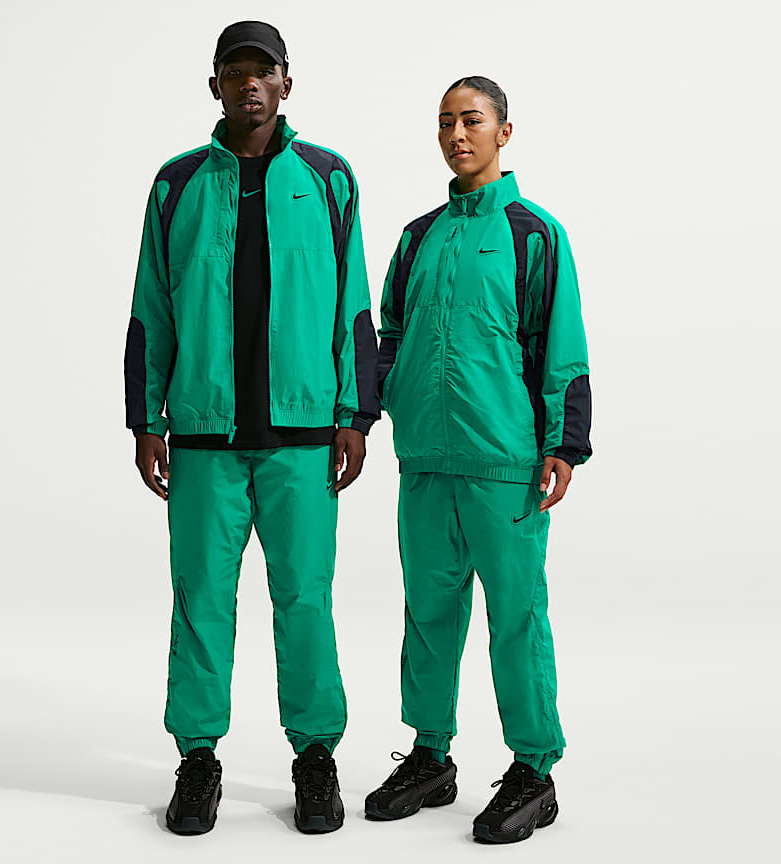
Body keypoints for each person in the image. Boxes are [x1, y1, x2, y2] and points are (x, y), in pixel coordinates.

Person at [123, 20, 379, 836]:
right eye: (234, 73)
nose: (249, 85)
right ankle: (198, 759)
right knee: (201, 600)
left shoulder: (330, 179)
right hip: (204, 437)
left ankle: (316, 757)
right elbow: (152, 307)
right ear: (216, 87)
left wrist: (355, 414)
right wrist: (145, 418)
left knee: (304, 599)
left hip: (302, 437)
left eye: (263, 72)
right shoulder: (177, 185)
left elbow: (353, 307)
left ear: (286, 84)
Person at [365, 76, 592, 844]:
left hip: (505, 461)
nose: (457, 135)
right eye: (445, 122)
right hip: (426, 457)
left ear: (504, 132)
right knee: (428, 612)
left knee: (516, 617)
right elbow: (390, 336)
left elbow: (561, 342)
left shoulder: (534, 232)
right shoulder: (417, 236)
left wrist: (564, 442)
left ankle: (534, 769)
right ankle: (430, 755)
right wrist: (366, 414)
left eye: (471, 120)